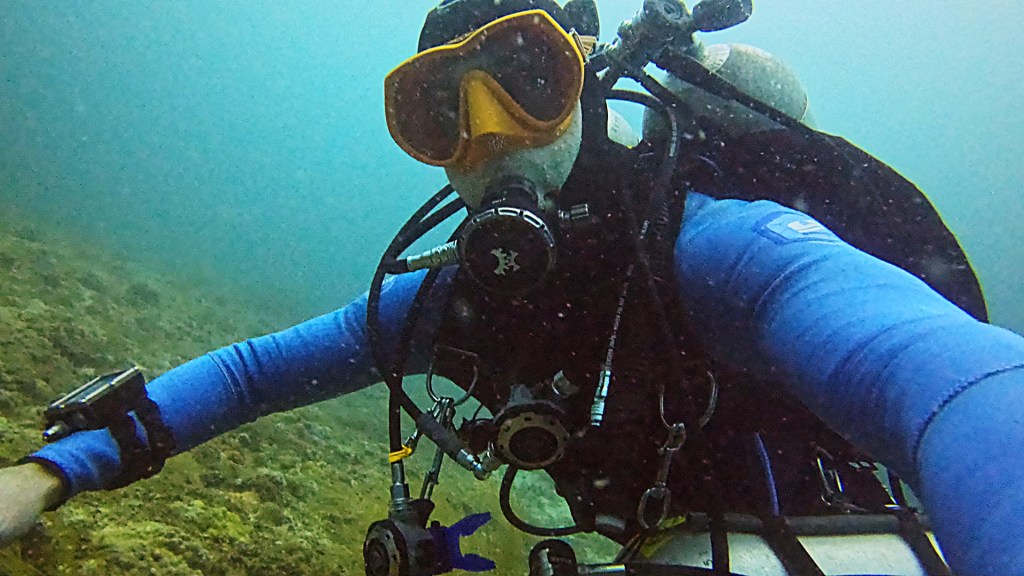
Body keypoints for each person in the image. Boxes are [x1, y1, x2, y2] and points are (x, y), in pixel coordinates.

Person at [2, 0, 1022, 574]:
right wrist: (46, 475)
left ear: (587, 87)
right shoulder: (458, 303)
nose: (486, 136)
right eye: (439, 112)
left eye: (527, 83)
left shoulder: (725, 252)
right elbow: (249, 377)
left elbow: (957, 383)